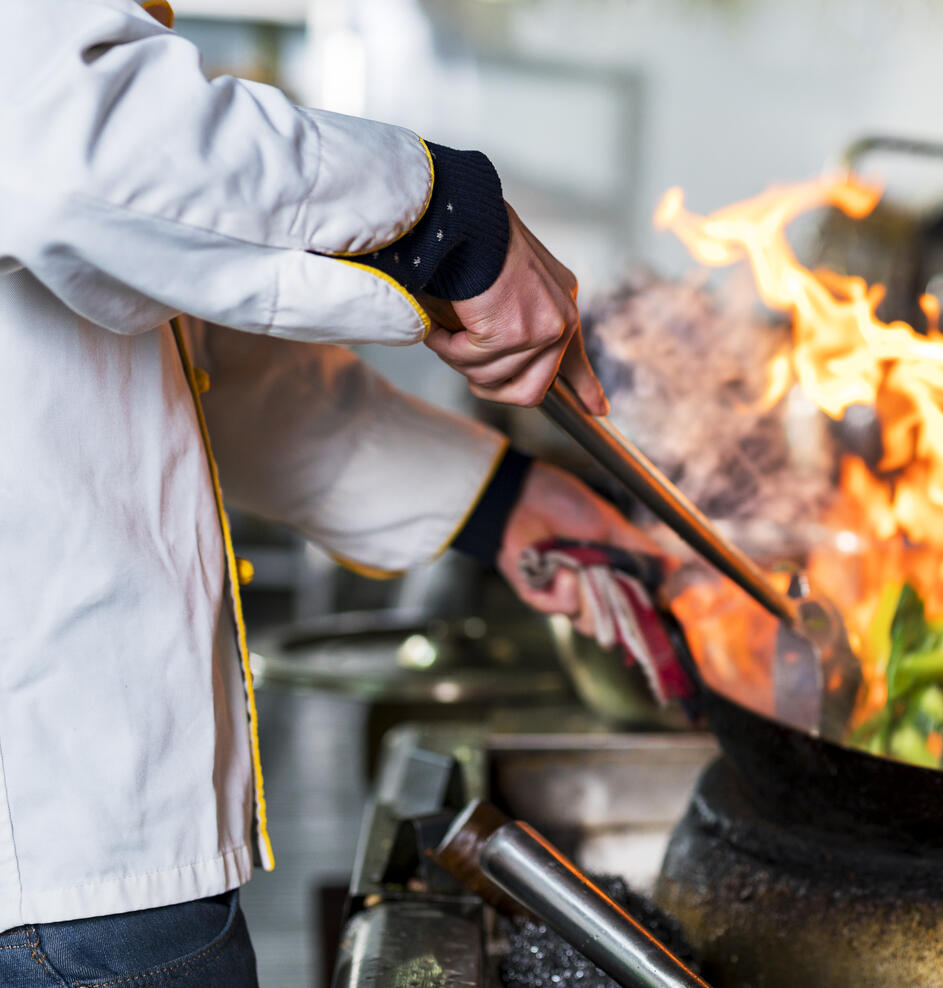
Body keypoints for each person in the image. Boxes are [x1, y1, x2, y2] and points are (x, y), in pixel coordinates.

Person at [0, 0, 653, 983]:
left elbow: (188, 371)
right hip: (59, 857)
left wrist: (500, 497)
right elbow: (70, 144)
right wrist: (438, 214)